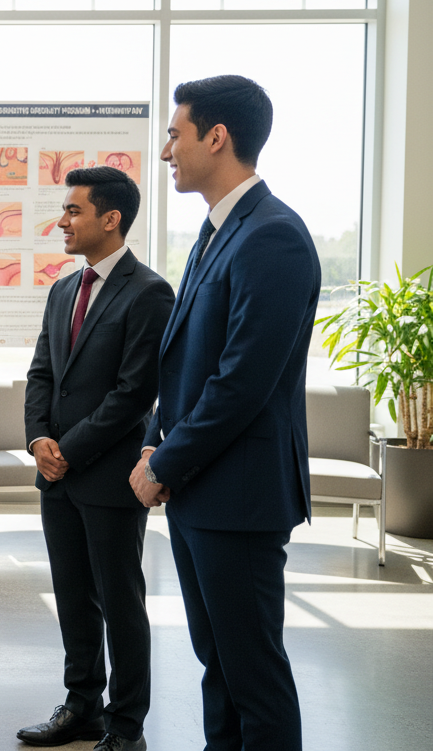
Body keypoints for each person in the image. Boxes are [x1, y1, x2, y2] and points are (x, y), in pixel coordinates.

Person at [130, 75, 319, 751]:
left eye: (174, 135)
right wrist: (155, 442)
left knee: (252, 672)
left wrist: (165, 463)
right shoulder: (217, 232)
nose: (165, 151)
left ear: (217, 137)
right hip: (200, 488)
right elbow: (186, 359)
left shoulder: (274, 236)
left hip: (239, 495)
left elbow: (242, 382)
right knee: (220, 664)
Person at [17, 166, 173, 751]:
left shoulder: (149, 292)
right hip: (55, 475)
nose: (62, 220)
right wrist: (38, 440)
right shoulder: (63, 289)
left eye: (73, 210)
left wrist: (69, 450)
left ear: (111, 219)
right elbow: (41, 373)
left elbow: (135, 394)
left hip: (107, 475)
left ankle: (126, 725)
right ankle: (82, 705)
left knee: (119, 602)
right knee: (72, 597)